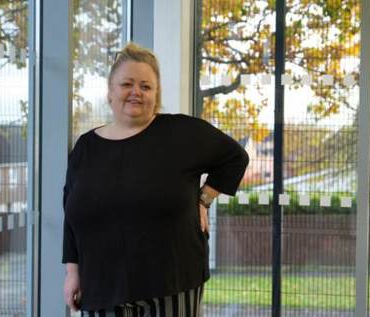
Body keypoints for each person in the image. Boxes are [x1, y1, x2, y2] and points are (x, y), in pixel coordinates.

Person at [62, 42, 249, 317]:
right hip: (102, 287)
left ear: (156, 94)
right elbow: (72, 212)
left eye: (146, 86)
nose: (136, 92)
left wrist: (205, 199)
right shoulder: (86, 147)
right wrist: (72, 271)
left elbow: (235, 158)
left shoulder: (182, 133)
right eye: (127, 84)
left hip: (172, 284)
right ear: (110, 92)